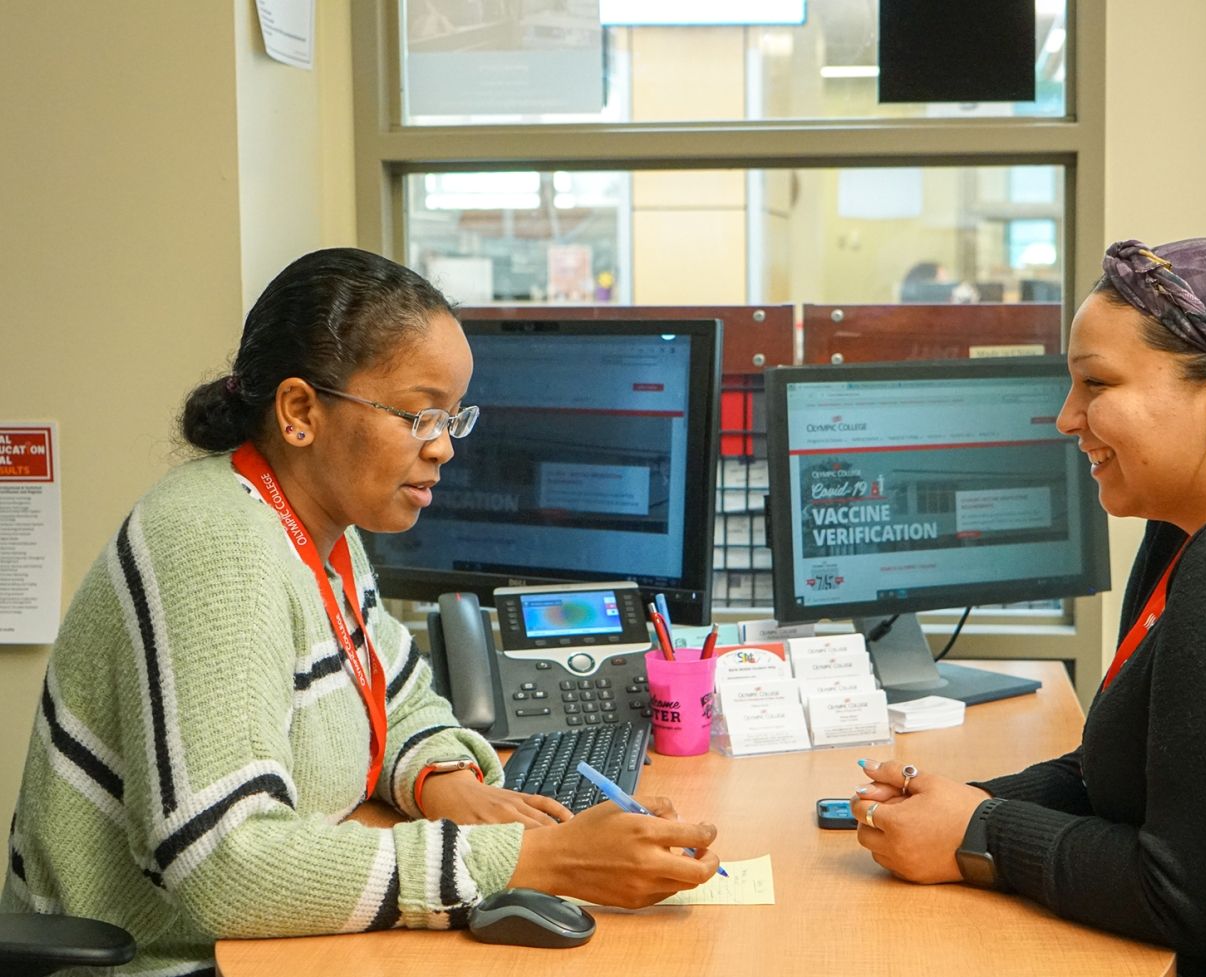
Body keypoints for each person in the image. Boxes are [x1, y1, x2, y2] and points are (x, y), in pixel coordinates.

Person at [1, 248, 719, 975]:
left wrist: (449, 785)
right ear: (300, 411)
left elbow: (396, 698)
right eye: (417, 415)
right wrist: (533, 858)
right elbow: (226, 862)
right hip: (161, 962)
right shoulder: (215, 542)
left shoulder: (321, 534)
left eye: (452, 417)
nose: (442, 447)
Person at [851, 238, 1206, 975]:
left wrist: (982, 833)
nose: (1068, 418)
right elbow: (1137, 771)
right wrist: (966, 801)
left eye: (1096, 384)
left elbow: (1195, 899)